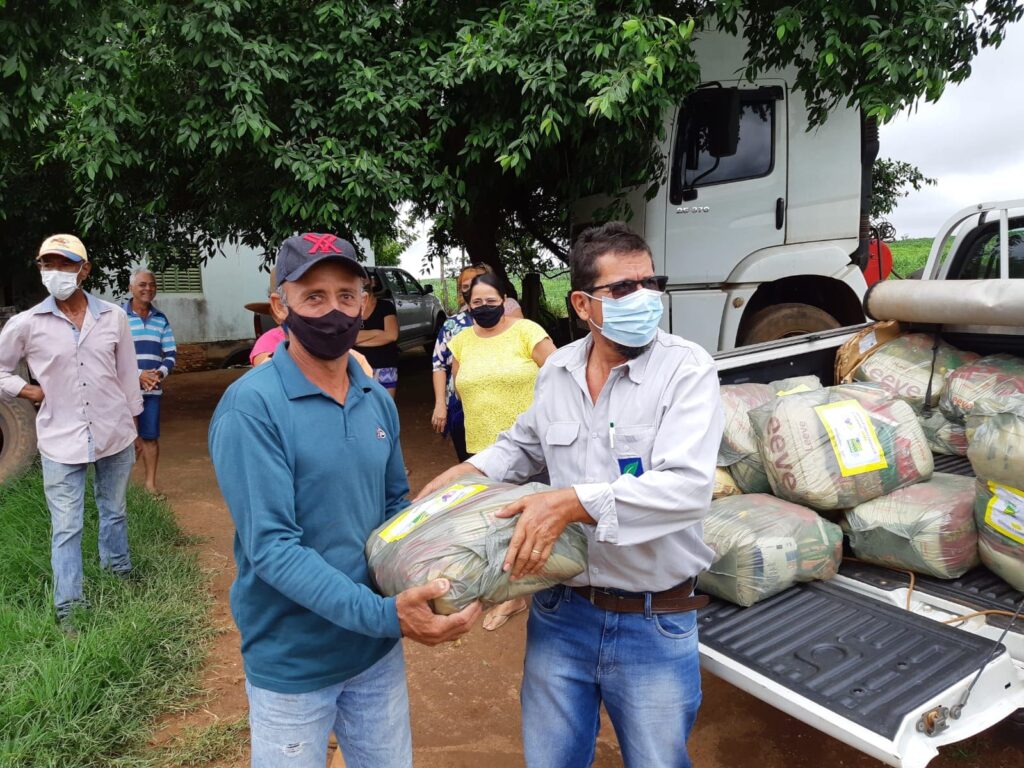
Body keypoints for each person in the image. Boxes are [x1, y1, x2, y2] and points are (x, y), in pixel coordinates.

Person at [417, 222, 724, 768]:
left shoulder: (687, 369)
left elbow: (687, 489)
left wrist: (567, 503)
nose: (645, 298)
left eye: (651, 283)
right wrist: (463, 474)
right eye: (624, 289)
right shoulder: (557, 370)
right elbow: (519, 446)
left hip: (653, 618)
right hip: (562, 614)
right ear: (583, 303)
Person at [208, 232, 480, 768]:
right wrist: (384, 614)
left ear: (366, 303)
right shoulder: (251, 410)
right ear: (280, 304)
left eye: (346, 295)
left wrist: (450, 563)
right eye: (313, 296)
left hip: (374, 655)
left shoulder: (374, 398)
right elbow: (272, 549)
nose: (333, 310)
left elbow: (391, 512)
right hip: (294, 661)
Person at [0, 234, 144, 631]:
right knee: (67, 526)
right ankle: (70, 609)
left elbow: (128, 373)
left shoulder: (112, 316)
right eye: (48, 264)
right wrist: (26, 389)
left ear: (85, 269)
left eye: (65, 264)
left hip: (114, 433)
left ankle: (118, 574)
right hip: (60, 440)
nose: (56, 272)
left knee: (114, 511)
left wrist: (134, 423)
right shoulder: (26, 324)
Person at [448, 272, 555, 630]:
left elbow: (559, 375)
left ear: (504, 299)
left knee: (533, 522)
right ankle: (512, 596)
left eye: (491, 301)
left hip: (531, 446)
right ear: (467, 304)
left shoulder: (526, 331)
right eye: (476, 302)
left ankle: (544, 593)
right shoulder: (461, 341)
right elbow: (458, 385)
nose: (484, 307)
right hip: (481, 446)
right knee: (495, 523)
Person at [430, 263, 524, 461]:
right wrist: (441, 404)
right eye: (465, 287)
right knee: (474, 466)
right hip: (464, 406)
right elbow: (440, 365)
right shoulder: (454, 327)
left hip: (507, 403)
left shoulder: (516, 327)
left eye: (476, 282)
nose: (472, 289)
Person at [123, 267, 177, 497]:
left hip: (152, 390)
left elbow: (171, 353)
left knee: (150, 437)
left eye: (152, 284)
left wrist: (159, 374)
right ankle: (121, 490)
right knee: (124, 440)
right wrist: (137, 374)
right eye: (142, 284)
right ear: (131, 288)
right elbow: (110, 353)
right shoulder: (118, 317)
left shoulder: (161, 319)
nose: (148, 288)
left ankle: (150, 486)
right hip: (123, 391)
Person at [354, 271, 400, 398]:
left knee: (385, 410)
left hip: (385, 366)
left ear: (372, 282)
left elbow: (392, 335)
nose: (361, 280)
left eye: (364, 277)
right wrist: (378, 333)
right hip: (357, 369)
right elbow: (347, 338)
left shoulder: (385, 306)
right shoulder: (351, 309)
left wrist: (357, 339)